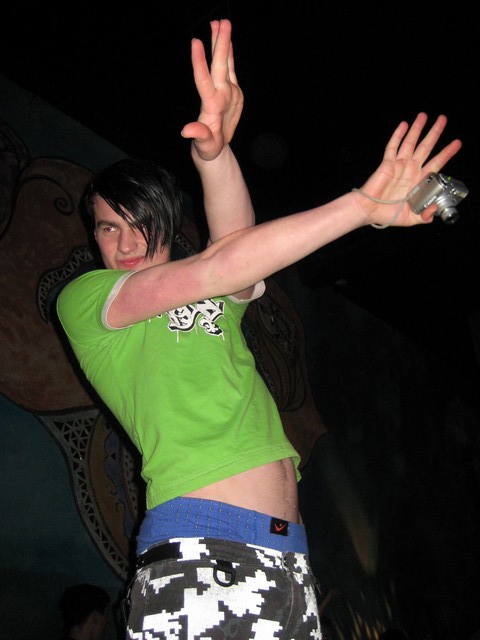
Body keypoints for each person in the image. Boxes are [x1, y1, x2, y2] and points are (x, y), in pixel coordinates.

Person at [56, 18, 462, 640]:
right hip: (199, 552)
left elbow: (235, 251)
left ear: (169, 226)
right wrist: (363, 206)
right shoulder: (89, 301)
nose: (127, 242)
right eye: (110, 227)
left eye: (141, 223)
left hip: (286, 556)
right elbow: (219, 265)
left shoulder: (212, 297)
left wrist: (214, 156)